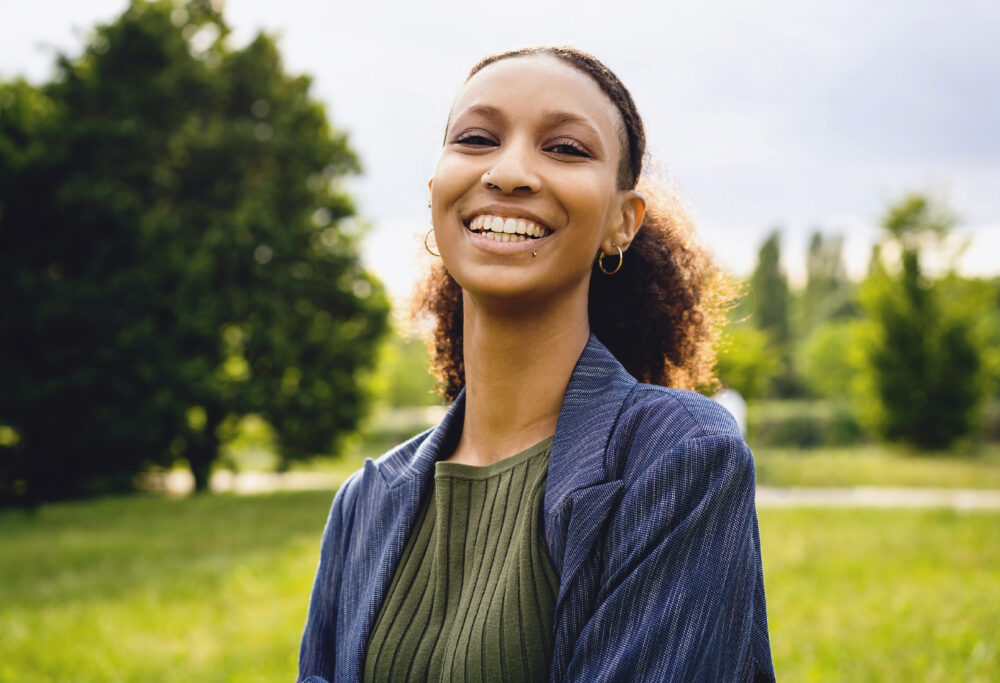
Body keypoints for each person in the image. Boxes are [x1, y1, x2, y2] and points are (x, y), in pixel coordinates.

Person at [297, 46, 775, 682]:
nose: (510, 171)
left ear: (621, 223)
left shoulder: (682, 456)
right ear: (437, 191)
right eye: (476, 138)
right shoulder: (362, 504)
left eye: (566, 148)